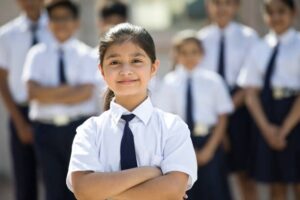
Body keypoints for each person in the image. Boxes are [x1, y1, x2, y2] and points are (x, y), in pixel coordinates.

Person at [66, 23, 197, 200]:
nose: (126, 71)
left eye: (136, 61)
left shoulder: (172, 127)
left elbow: (173, 189)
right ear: (102, 72)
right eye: (114, 62)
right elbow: (83, 189)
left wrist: (105, 193)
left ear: (153, 68)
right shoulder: (90, 131)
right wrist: (150, 172)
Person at [22, 1, 98, 200]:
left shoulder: (88, 54)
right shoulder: (36, 54)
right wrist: (69, 91)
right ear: (48, 23)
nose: (61, 23)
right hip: (46, 131)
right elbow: (32, 93)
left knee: (81, 189)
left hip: (78, 128)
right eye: (55, 18)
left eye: (66, 18)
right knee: (52, 188)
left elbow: (85, 94)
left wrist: (48, 93)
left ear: (76, 23)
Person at [158, 30, 233, 200]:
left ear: (202, 53)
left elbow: (222, 117)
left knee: (216, 191)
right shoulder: (170, 82)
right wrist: (187, 149)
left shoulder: (213, 80)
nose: (189, 57)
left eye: (194, 52)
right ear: (176, 55)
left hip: (210, 142)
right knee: (186, 193)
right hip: (181, 145)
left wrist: (210, 149)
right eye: (184, 52)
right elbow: (165, 117)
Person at [238, 0, 300, 199]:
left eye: (281, 12)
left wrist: (284, 129)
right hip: (267, 115)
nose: (275, 17)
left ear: (293, 13)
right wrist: (267, 129)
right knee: (276, 183)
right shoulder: (259, 47)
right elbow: (250, 92)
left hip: (295, 115)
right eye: (270, 13)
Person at [198, 0, 259, 199]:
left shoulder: (248, 37)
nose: (221, 8)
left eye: (228, 3)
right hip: (208, 112)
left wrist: (226, 107)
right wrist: (215, 112)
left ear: (236, 6)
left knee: (245, 175)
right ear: (208, 5)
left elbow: (252, 80)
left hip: (239, 108)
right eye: (216, 3)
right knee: (213, 174)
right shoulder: (201, 38)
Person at [0, 1, 49, 199]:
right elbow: (2, 80)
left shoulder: (58, 29)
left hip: (52, 112)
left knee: (57, 179)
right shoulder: (6, 35)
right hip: (21, 111)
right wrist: (19, 122)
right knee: (24, 180)